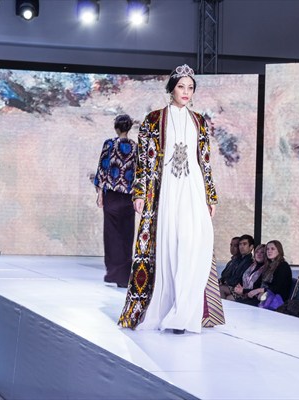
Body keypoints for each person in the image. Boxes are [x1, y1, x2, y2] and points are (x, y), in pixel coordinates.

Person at [118, 64, 223, 333]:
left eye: (190, 88)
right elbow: (142, 161)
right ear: (171, 88)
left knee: (191, 243)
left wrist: (210, 196)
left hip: (192, 188)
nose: (186, 92)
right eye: (181, 86)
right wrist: (139, 192)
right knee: (168, 247)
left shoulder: (199, 121)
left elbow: (204, 161)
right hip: (165, 190)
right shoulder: (153, 119)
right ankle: (166, 308)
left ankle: (184, 312)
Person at [93, 114, 137, 288]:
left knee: (112, 235)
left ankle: (113, 273)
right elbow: (138, 172)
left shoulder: (110, 144)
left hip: (111, 195)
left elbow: (102, 168)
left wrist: (99, 193)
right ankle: (124, 276)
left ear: (116, 127)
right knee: (126, 235)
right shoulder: (135, 147)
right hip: (129, 196)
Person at [247, 240, 292, 309]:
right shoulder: (269, 266)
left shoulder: (283, 266)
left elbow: (277, 288)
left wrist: (259, 290)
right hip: (264, 297)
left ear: (279, 251)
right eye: (267, 249)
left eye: (272, 249)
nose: (269, 251)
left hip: (277, 301)